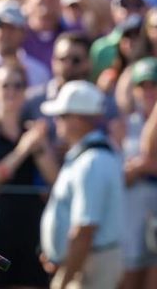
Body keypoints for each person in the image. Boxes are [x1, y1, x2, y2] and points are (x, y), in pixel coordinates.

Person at [0, 62, 57, 288]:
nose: (11, 91)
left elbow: (54, 179)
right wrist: (23, 150)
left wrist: (39, 146)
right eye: (5, 85)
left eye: (18, 86)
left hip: (30, 226)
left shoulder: (32, 132)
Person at [39, 80, 125, 289]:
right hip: (82, 264)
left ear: (79, 119)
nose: (56, 121)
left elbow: (84, 231)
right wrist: (56, 254)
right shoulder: (89, 157)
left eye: (62, 115)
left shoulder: (92, 161)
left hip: (88, 267)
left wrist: (64, 280)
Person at [120, 57, 157, 289]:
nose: (148, 91)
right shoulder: (124, 125)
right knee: (130, 275)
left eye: (154, 84)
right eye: (142, 85)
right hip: (131, 212)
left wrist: (145, 166)